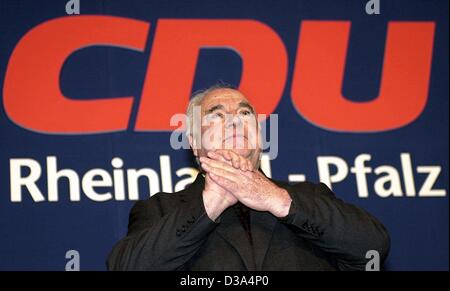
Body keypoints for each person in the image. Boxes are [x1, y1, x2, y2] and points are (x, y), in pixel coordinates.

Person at [107, 84, 390, 271]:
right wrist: (209, 205)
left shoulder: (310, 197)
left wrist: (276, 199)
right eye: (217, 115)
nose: (234, 120)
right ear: (193, 142)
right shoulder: (160, 209)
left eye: (245, 113)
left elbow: (373, 249)